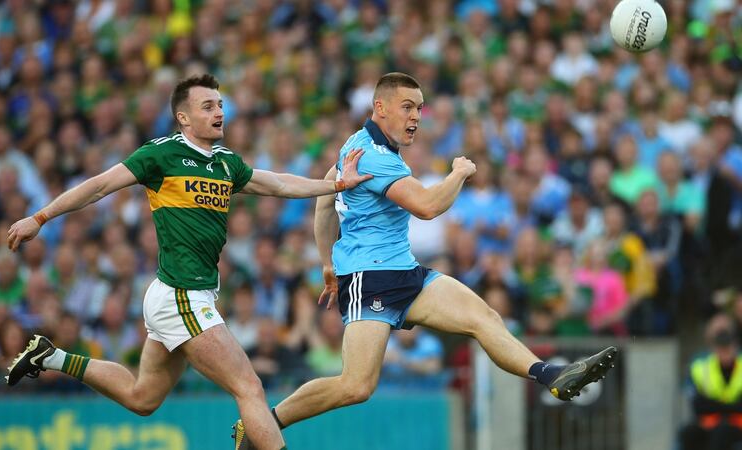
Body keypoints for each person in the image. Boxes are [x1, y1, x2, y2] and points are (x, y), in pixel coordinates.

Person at [232, 72, 617, 448]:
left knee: (483, 318)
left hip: (404, 273)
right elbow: (428, 207)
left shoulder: (358, 146)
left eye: (419, 108)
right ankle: (260, 424)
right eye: (407, 107)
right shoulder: (375, 158)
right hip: (370, 279)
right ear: (380, 107)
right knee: (356, 386)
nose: (416, 116)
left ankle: (552, 375)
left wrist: (327, 263)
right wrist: (459, 172)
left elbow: (324, 203)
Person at [3, 74, 372, 450]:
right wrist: (40, 217)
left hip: (182, 295)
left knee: (142, 397)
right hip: (182, 293)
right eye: (207, 106)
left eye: (220, 105)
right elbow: (98, 186)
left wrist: (336, 185)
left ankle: (51, 356)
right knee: (249, 388)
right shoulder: (161, 155)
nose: (218, 113)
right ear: (183, 117)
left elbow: (277, 184)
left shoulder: (226, 163)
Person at [680, 314, 742, 450]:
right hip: (710, 423)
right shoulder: (701, 367)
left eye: (727, 347)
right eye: (721, 348)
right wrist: (730, 407)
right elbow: (698, 405)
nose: (724, 352)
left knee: (722, 433)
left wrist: (716, 406)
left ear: (735, 346)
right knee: (688, 434)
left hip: (737, 425)